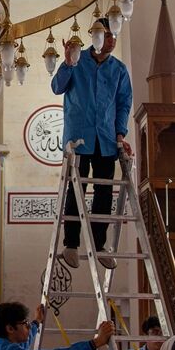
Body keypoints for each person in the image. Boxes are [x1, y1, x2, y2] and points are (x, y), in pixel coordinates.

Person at [50, 17, 133, 269]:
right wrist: (66, 63)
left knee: (104, 193)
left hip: (106, 140)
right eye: (107, 36)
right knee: (76, 191)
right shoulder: (77, 62)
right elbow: (56, 87)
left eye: (114, 36)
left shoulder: (118, 69)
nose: (112, 41)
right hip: (78, 139)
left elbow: (123, 104)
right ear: (95, 36)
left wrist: (120, 134)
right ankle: (71, 244)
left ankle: (99, 246)